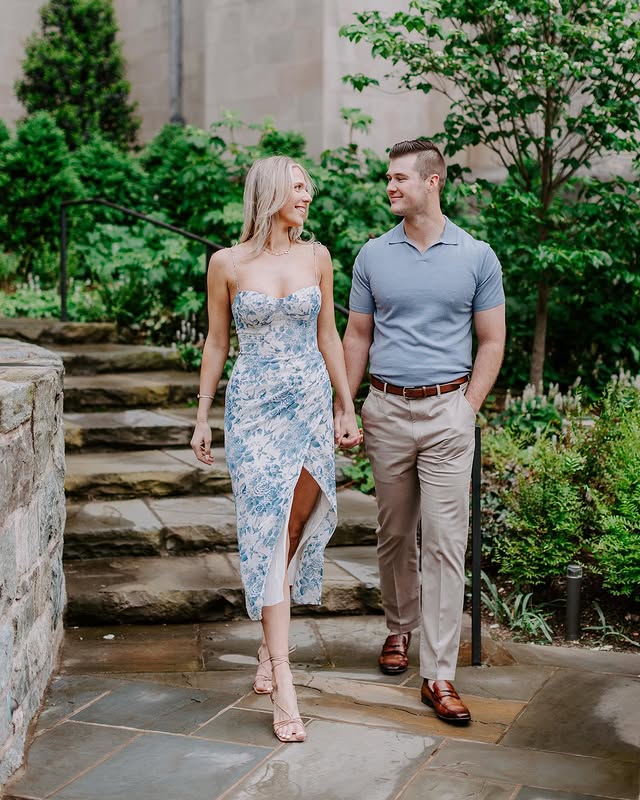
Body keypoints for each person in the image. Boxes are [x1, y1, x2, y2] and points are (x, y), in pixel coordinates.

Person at [191, 155, 361, 743]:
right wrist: (201, 415)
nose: (307, 196)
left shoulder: (317, 256)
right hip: (254, 409)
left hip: (310, 405)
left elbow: (328, 334)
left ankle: (270, 643)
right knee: (265, 530)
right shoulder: (227, 263)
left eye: (309, 189)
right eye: (298, 188)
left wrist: (345, 404)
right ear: (269, 194)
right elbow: (217, 342)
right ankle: (284, 675)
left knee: (293, 525)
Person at [340, 139, 505, 724]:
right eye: (388, 177)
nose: (390, 186)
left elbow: (491, 341)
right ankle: (398, 628)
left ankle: (438, 674)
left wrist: (468, 407)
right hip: (385, 409)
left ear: (432, 182)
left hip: (446, 415)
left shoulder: (477, 255)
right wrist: (346, 403)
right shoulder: (372, 255)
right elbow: (356, 336)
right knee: (394, 533)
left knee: (443, 541)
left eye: (399, 178)